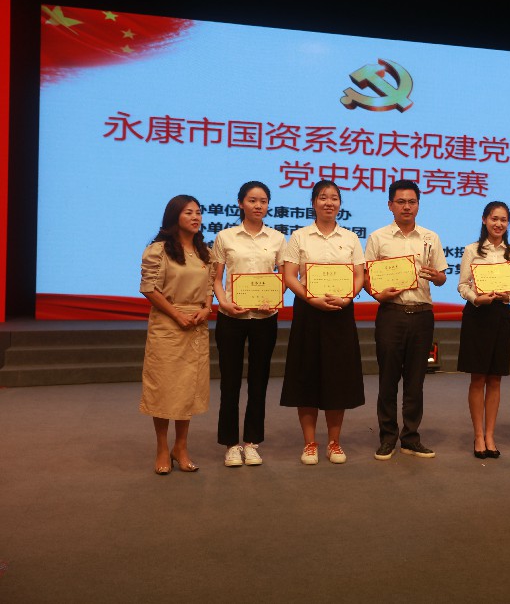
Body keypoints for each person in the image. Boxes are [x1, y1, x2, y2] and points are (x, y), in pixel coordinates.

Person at [280, 180, 365, 465]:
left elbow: (359, 275)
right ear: (314, 202)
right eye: (323, 197)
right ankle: (310, 443)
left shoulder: (350, 238)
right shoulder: (300, 236)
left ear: (340, 204)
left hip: (341, 313)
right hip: (309, 313)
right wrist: (311, 298)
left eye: (334, 198)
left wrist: (348, 298)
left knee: (337, 377)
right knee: (307, 375)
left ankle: (334, 442)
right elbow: (290, 275)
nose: (329, 202)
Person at [365, 180, 446, 461]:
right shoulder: (378, 238)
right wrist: (377, 294)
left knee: (415, 381)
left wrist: (437, 276)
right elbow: (367, 277)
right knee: (388, 379)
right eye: (401, 202)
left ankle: (411, 438)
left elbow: (442, 276)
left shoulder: (430, 237)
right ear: (390, 205)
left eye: (412, 202)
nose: (406, 207)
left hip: (422, 314)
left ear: (418, 205)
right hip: (391, 313)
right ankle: (388, 437)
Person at [211, 180, 286, 467]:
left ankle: (252, 442)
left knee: (259, 381)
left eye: (263, 201)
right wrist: (223, 302)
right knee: (229, 382)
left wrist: (275, 298)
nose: (258, 206)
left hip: (265, 319)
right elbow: (216, 278)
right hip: (231, 316)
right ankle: (231, 444)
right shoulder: (225, 237)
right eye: (252, 200)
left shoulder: (277, 238)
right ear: (241, 203)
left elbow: (284, 277)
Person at [139, 195, 215, 474]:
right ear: (174, 217)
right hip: (168, 325)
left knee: (187, 390)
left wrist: (206, 309)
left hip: (195, 326)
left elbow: (209, 288)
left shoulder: (205, 252)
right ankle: (162, 447)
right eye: (188, 213)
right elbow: (149, 288)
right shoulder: (158, 250)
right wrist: (177, 315)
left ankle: (180, 447)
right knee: (164, 389)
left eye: (198, 213)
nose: (196, 217)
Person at [457, 201, 510, 459]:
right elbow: (463, 285)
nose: (499, 224)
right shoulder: (472, 250)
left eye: (503, 220)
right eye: (494, 218)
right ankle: (477, 435)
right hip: (477, 314)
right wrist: (476, 298)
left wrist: (508, 296)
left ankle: (490, 435)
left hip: (500, 314)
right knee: (478, 378)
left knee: (495, 378)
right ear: (484, 220)